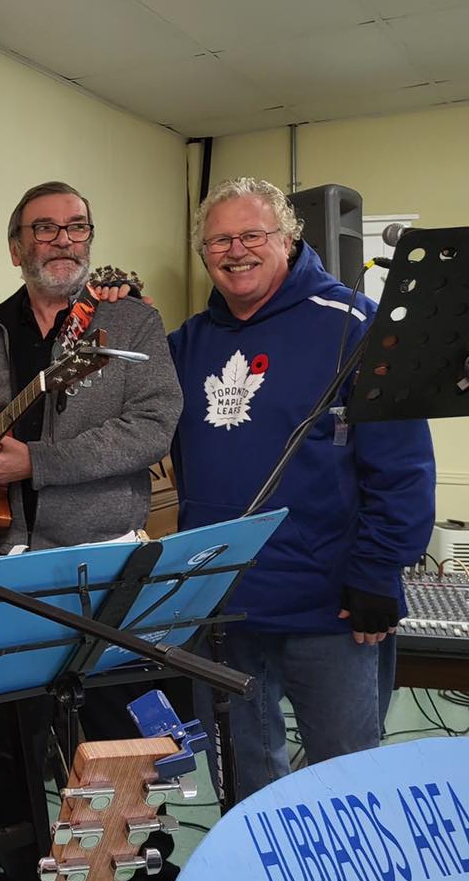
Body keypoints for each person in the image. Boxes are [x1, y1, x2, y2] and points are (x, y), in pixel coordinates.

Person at [0, 181, 182, 881]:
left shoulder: (131, 324)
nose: (63, 240)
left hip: (104, 556)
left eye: (76, 226)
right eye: (44, 228)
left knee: (122, 729)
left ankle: (150, 880)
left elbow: (153, 426)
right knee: (16, 734)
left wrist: (39, 462)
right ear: (17, 245)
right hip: (7, 564)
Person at [168, 177, 435, 800]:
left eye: (252, 235)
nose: (235, 250)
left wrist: (377, 573)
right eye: (219, 240)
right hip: (223, 607)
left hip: (330, 610)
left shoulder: (356, 327)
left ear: (288, 239)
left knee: (346, 787)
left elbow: (401, 466)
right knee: (245, 785)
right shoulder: (187, 343)